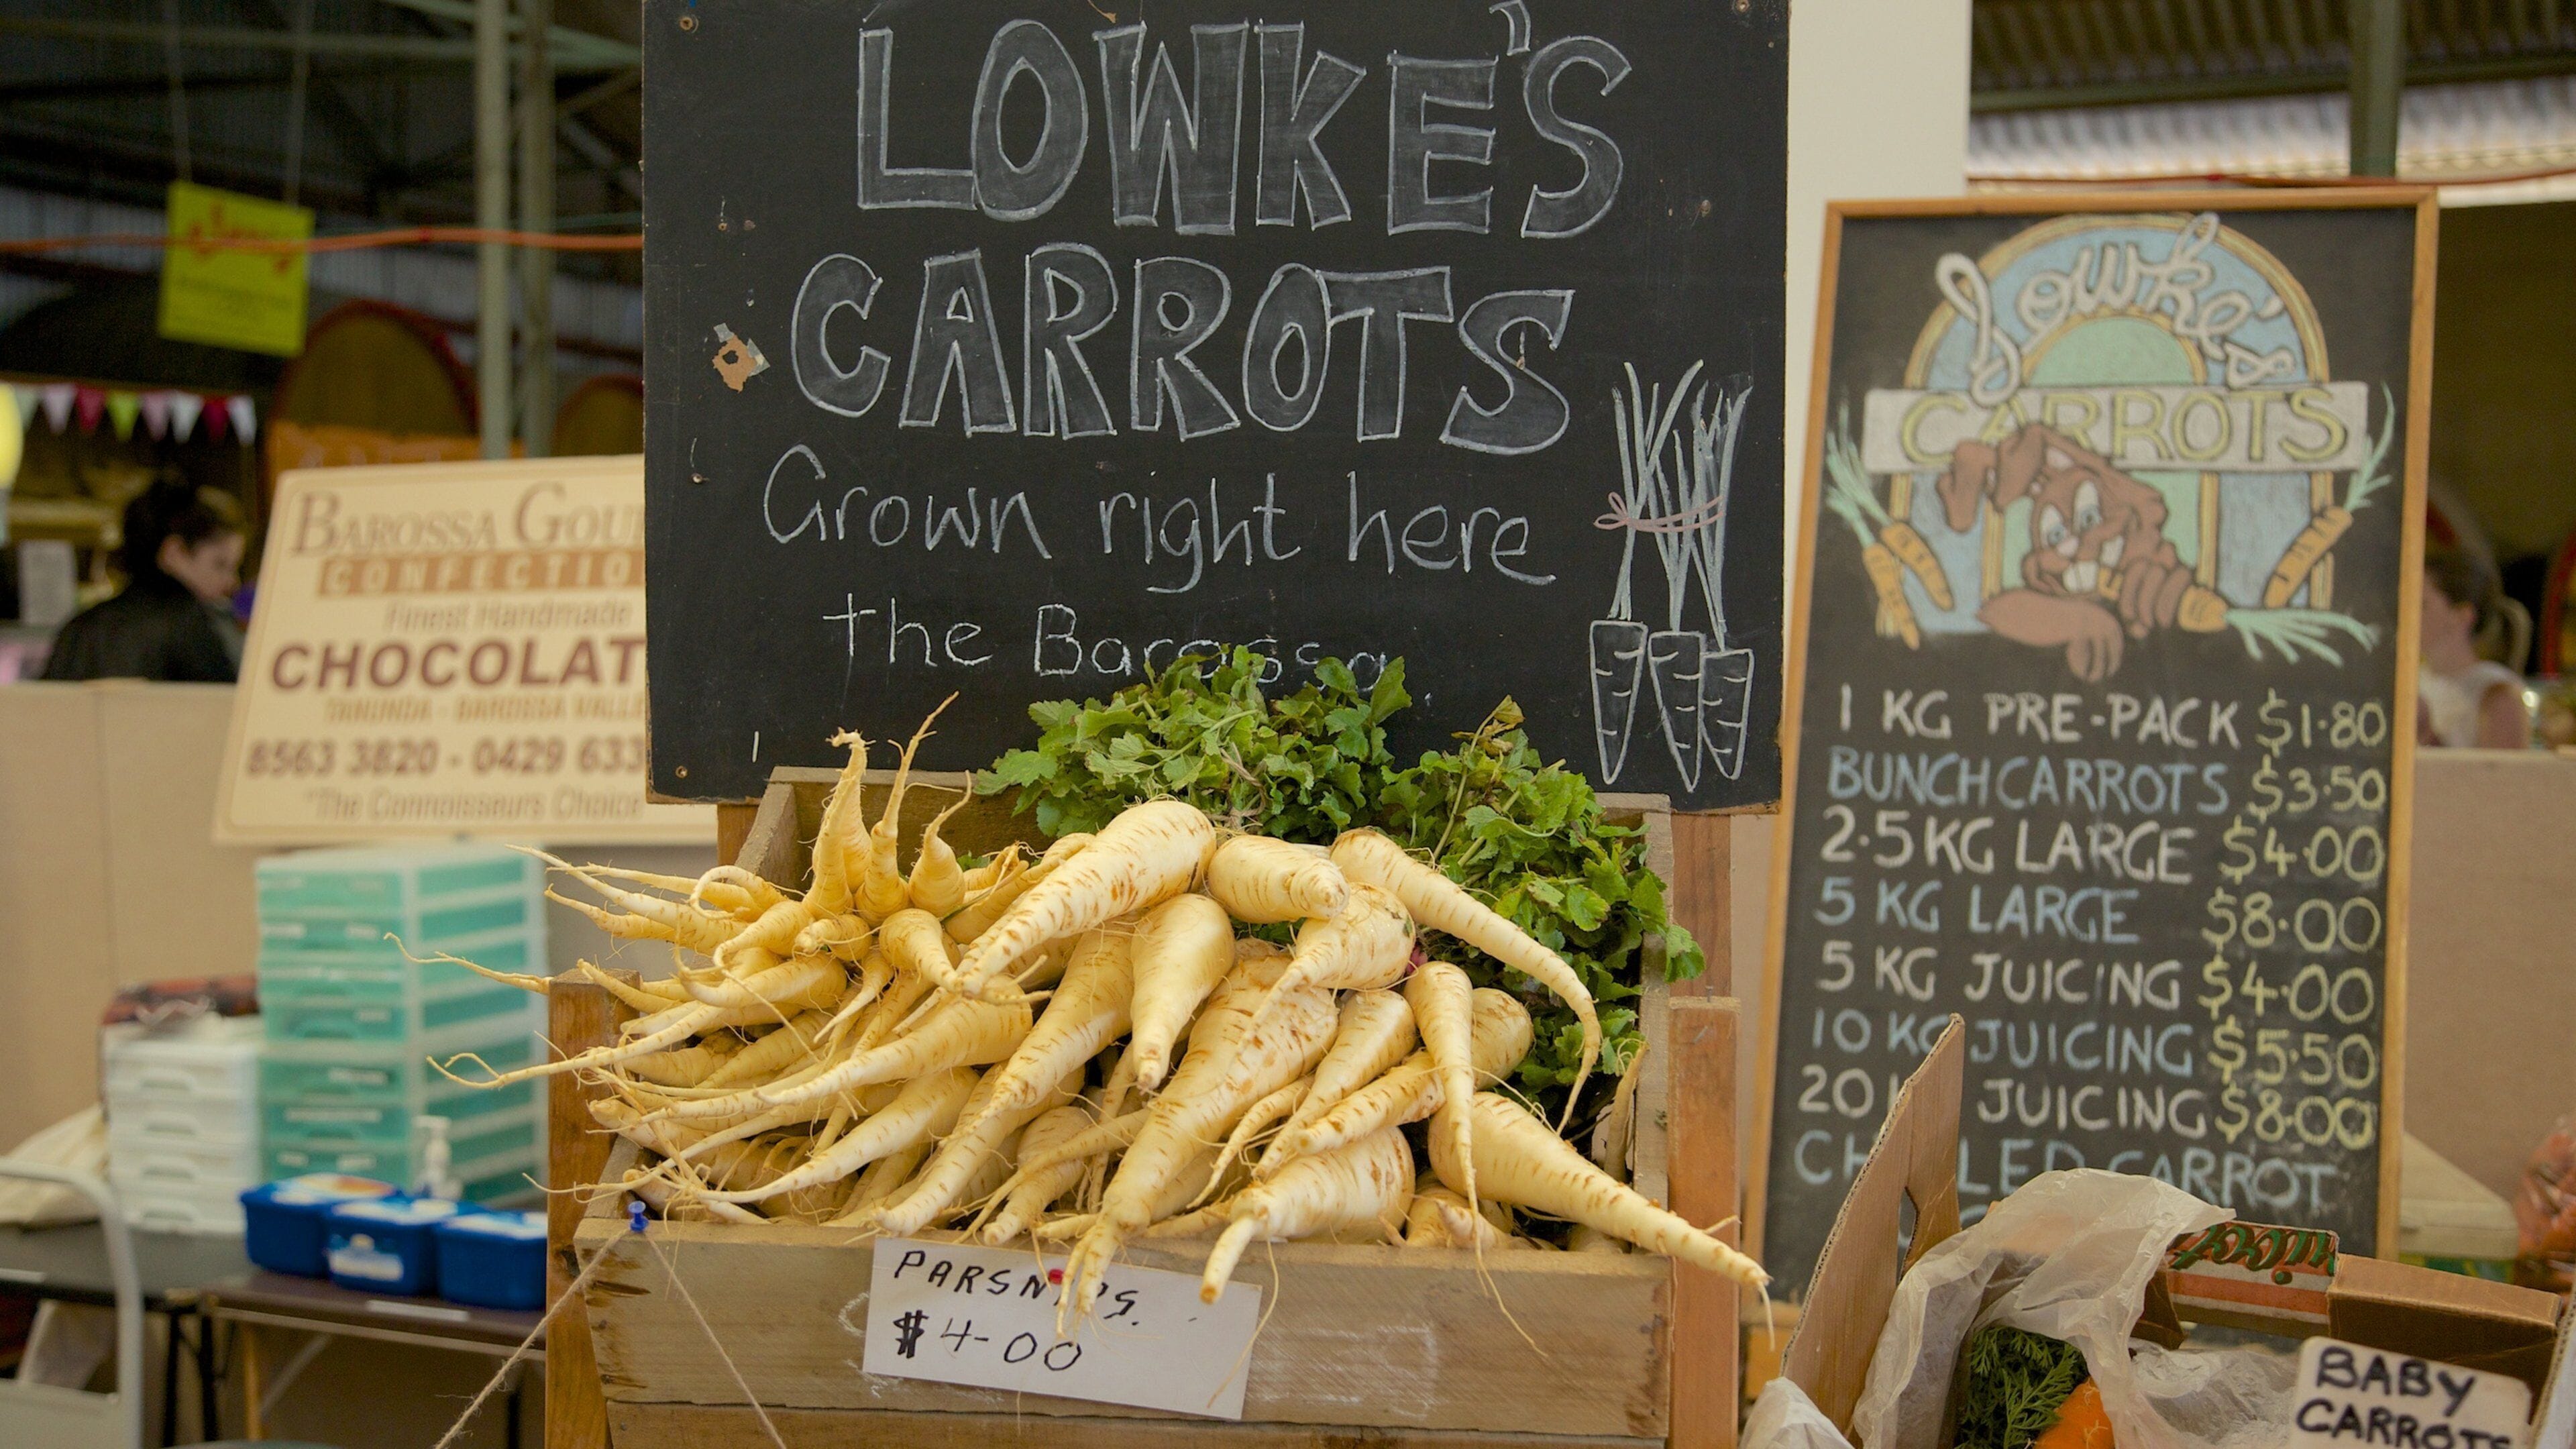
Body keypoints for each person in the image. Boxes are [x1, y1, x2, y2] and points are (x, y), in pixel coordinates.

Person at [41, 480, 247, 683]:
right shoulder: (194, 626)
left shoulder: (81, 629)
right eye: (220, 564)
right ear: (174, 553)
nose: (232, 582)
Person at [2417, 548, 2529, 749]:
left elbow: (2504, 777)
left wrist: (2428, 733)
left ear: (2461, 615)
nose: (2410, 614)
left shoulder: (2496, 692)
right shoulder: (2415, 680)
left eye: (2422, 605)